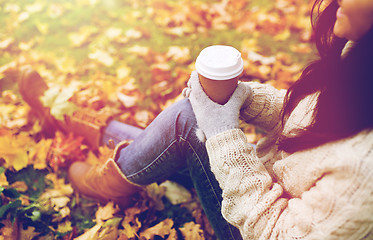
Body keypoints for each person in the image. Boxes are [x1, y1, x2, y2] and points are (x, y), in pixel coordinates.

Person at [18, 0, 373, 238]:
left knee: (190, 123)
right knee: (187, 124)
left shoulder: (365, 176)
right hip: (260, 184)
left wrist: (222, 131)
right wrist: (241, 98)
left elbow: (275, 232)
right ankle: (63, 117)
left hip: (251, 225)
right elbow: (314, 119)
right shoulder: (360, 59)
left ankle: (103, 180)